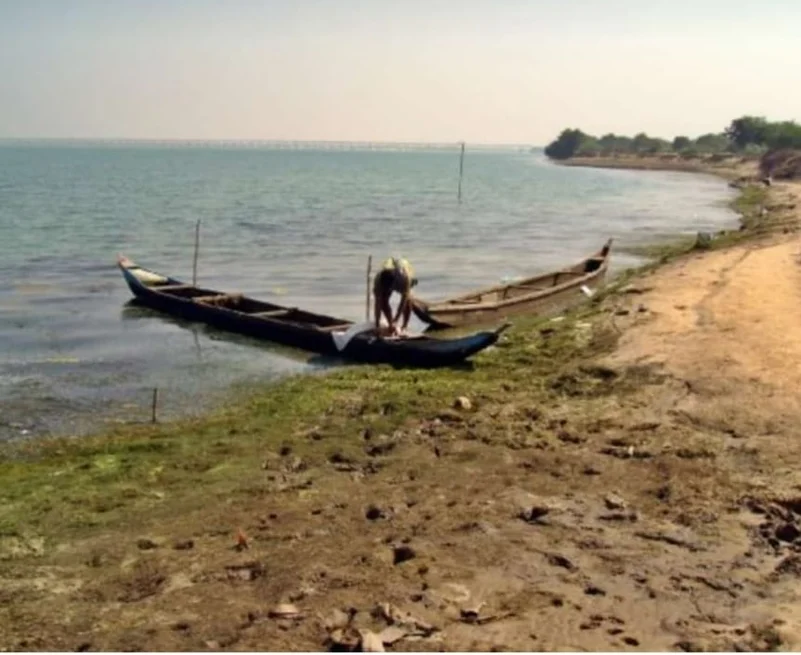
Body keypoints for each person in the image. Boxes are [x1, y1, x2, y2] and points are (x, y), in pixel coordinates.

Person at [373, 256, 418, 335]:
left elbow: (403, 301)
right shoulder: (378, 280)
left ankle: (404, 326)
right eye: (385, 288)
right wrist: (377, 325)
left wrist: (396, 320)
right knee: (383, 300)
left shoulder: (404, 278)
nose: (387, 290)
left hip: (406, 272)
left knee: (408, 301)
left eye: (388, 288)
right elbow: (378, 303)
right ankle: (390, 323)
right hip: (387, 278)